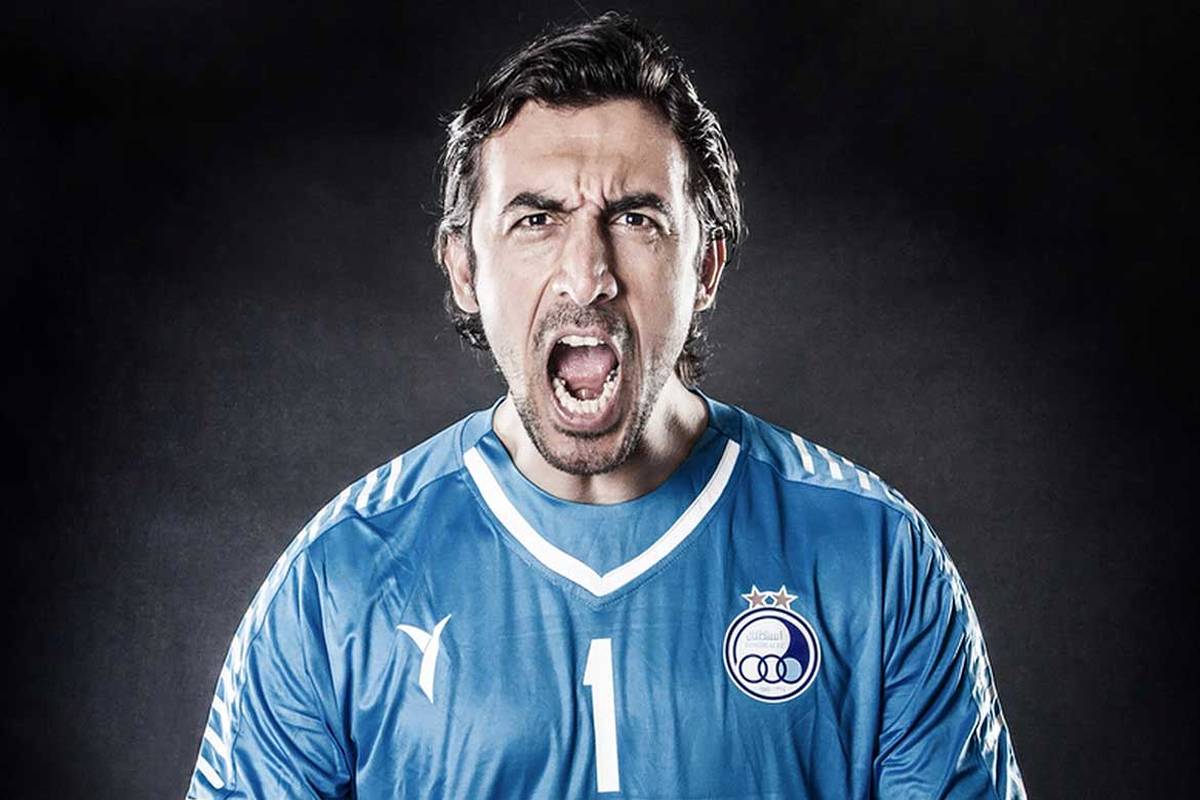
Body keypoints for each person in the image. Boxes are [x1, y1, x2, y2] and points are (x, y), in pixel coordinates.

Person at [187, 13, 1025, 799]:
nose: (587, 276)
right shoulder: (339, 580)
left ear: (706, 268)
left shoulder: (875, 560)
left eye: (634, 218)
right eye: (537, 219)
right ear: (464, 270)